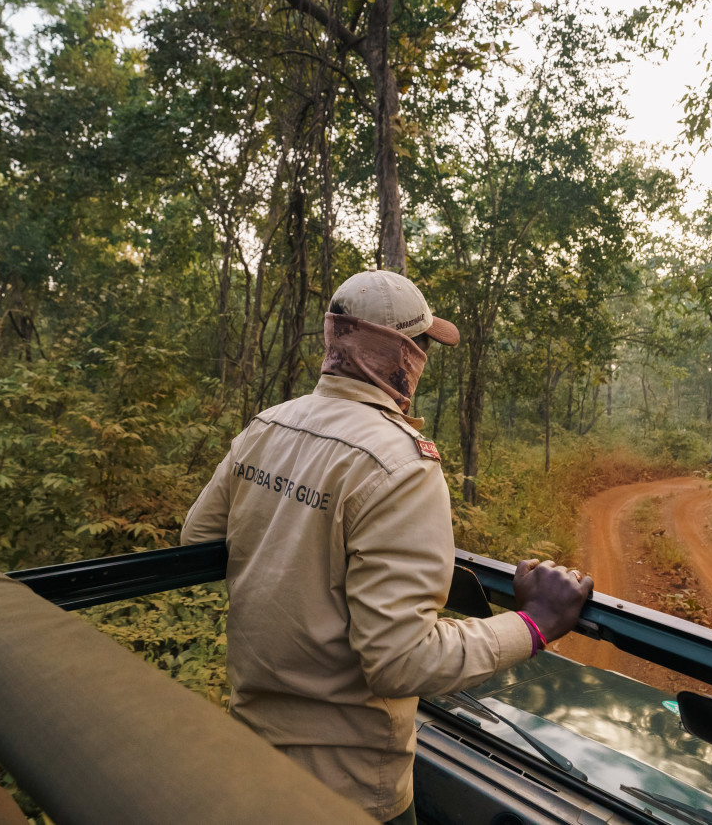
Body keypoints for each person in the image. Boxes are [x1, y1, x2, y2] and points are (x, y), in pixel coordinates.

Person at [181, 270, 594, 824]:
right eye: (423, 344)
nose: (423, 359)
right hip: (350, 788)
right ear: (402, 353)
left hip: (252, 754)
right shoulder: (401, 465)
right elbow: (402, 661)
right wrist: (536, 621)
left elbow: (198, 541)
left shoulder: (268, 426)